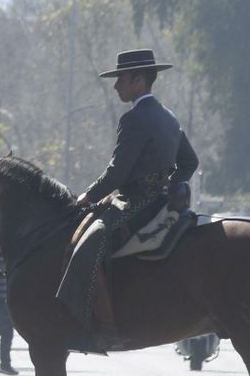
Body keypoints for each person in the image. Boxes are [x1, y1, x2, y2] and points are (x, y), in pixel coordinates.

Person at [57, 49, 199, 349]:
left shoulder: (134, 117)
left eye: (121, 78)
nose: (116, 85)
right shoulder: (168, 117)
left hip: (135, 204)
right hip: (160, 203)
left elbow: (117, 172)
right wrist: (172, 186)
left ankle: (105, 328)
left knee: (86, 245)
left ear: (138, 79)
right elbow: (190, 162)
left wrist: (87, 196)